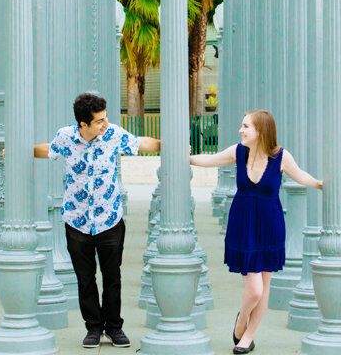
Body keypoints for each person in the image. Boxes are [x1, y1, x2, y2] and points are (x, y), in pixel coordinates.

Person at [190, 110, 322, 354]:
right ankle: (242, 320)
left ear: (261, 131)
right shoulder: (238, 152)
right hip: (243, 222)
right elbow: (210, 159)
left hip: (270, 224)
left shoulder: (281, 157)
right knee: (254, 289)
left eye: (246, 126)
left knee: (264, 285)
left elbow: (301, 175)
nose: (241, 130)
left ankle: (247, 335)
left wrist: (320, 184)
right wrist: (184, 157)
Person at [35, 92, 160, 348]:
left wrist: (170, 144)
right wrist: (16, 152)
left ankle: (114, 328)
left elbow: (140, 143)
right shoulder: (66, 137)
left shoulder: (113, 134)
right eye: (99, 121)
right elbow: (48, 150)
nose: (105, 124)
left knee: (112, 276)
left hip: (109, 220)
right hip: (76, 220)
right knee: (85, 279)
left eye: (105, 118)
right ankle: (93, 328)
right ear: (83, 124)